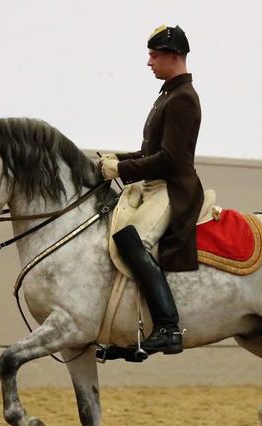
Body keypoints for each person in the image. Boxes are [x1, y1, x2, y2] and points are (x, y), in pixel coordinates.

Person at [100, 24, 204, 355]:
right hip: (155, 184)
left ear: (173, 57)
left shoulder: (184, 98)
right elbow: (151, 153)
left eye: (154, 55)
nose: (149, 62)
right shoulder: (169, 95)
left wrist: (122, 169)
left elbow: (169, 159)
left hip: (173, 188)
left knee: (135, 242)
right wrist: (117, 158)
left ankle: (168, 328)